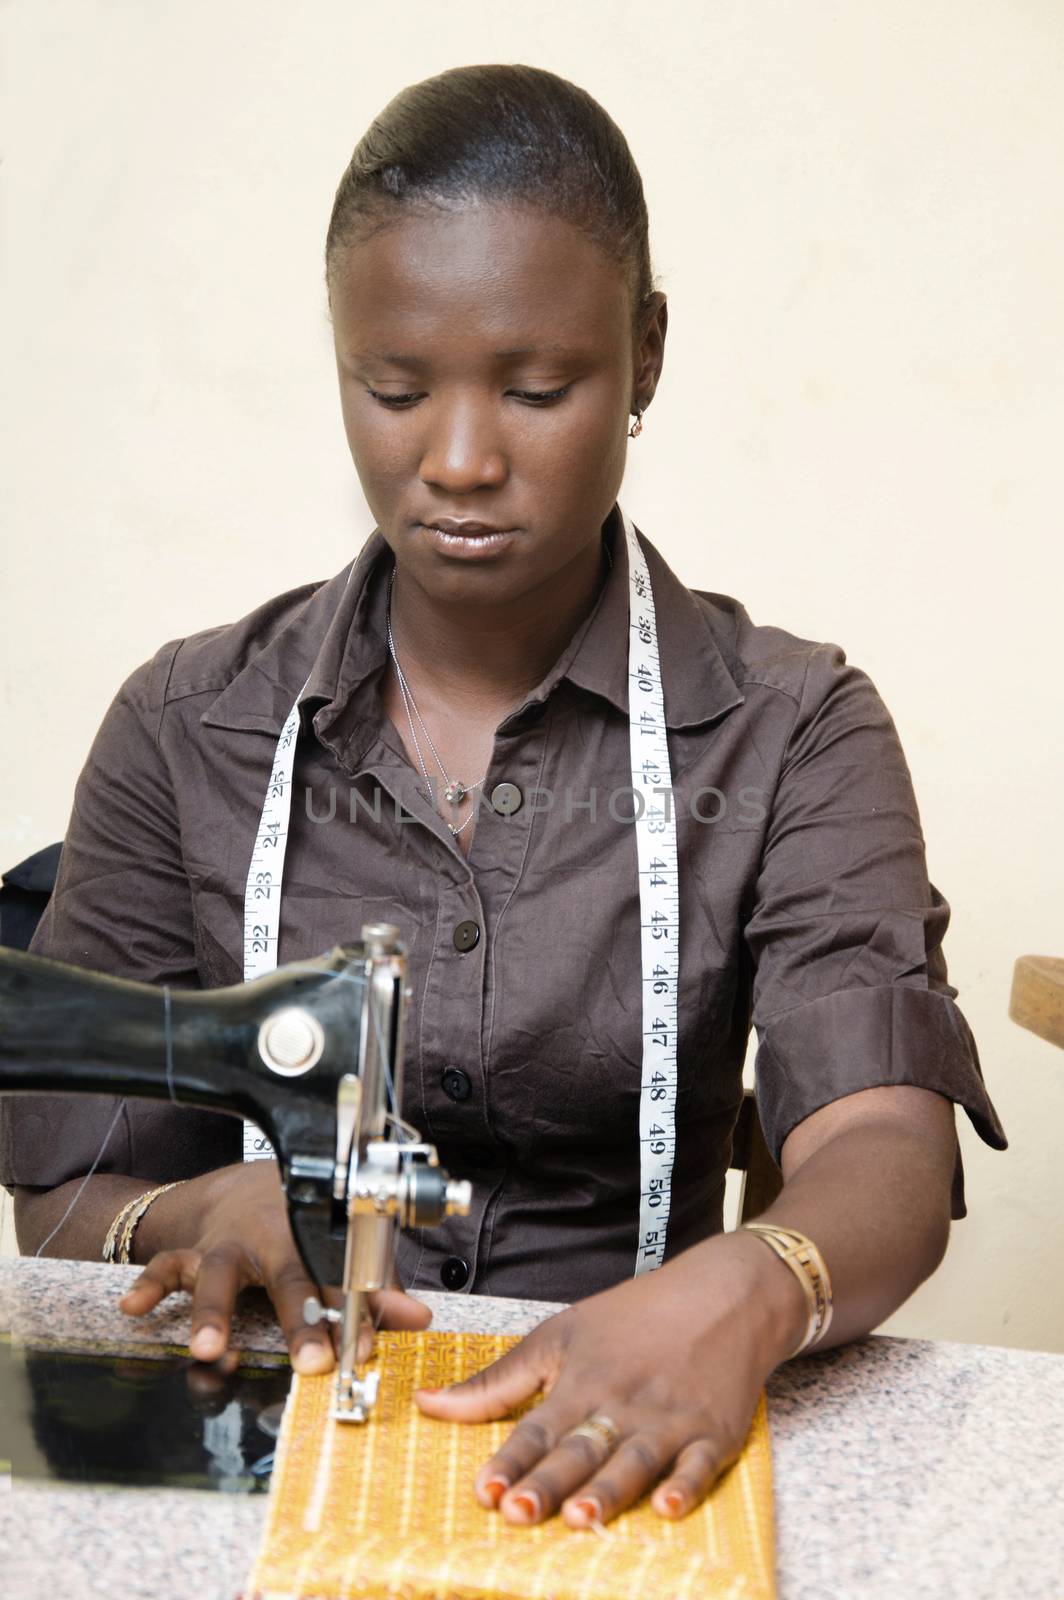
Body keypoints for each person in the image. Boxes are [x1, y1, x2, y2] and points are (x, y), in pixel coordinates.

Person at [2, 63, 1005, 1530]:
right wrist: (183, 1213)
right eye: (393, 391)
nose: (459, 461)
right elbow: (70, 1195)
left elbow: (884, 1149)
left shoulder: (791, 732)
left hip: (632, 1427)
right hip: (280, 1437)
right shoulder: (186, 726)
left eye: (537, 390)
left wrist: (747, 1288)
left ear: (646, 356)